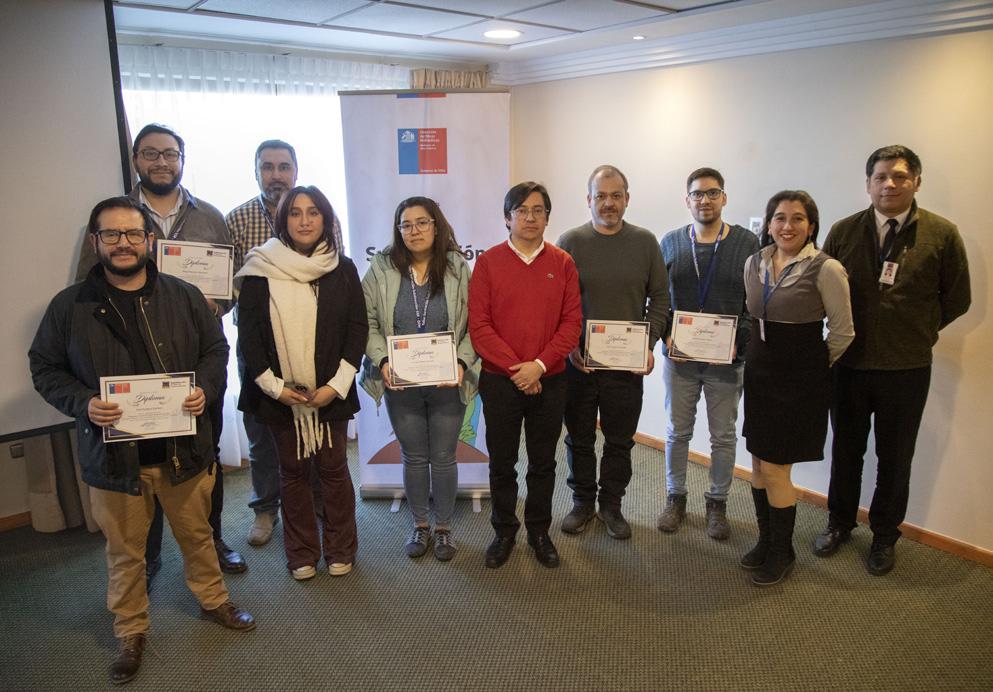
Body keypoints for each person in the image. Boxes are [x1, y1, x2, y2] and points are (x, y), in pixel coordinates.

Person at [30, 196, 256, 685]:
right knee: (125, 551)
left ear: (149, 241)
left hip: (183, 451)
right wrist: (84, 402)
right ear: (96, 242)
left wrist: (204, 388)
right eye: (112, 234)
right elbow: (44, 368)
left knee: (198, 536)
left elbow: (216, 350)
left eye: (133, 234)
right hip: (114, 458)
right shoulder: (69, 306)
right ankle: (130, 630)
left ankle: (214, 600)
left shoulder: (183, 295)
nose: (124, 243)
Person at [76, 122, 243, 582]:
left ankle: (213, 539)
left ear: (182, 160)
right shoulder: (114, 218)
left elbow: (231, 284)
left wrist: (219, 304)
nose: (161, 162)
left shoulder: (210, 216)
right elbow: (86, 289)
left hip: (192, 356)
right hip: (129, 360)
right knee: (139, 462)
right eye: (151, 154)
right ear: (136, 160)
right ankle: (148, 556)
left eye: (170, 154)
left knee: (204, 455)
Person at [815, 146, 971, 575]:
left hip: (907, 369)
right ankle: (839, 522)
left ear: (916, 182)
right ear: (868, 184)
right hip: (849, 364)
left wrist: (920, 330)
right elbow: (823, 289)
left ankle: (884, 536)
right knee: (846, 451)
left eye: (900, 176)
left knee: (895, 458)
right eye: (881, 177)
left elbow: (957, 298)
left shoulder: (942, 234)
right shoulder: (844, 231)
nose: (889, 184)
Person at [236, 185, 367, 580]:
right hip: (278, 395)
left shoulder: (342, 268)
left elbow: (356, 330)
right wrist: (276, 388)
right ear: (283, 220)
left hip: (331, 392)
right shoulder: (260, 268)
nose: (305, 221)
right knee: (291, 473)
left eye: (313, 212)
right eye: (295, 213)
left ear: (325, 219)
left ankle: (341, 548)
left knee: (334, 469)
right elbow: (250, 337)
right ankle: (302, 553)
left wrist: (336, 386)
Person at [741, 190, 854, 586]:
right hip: (760, 376)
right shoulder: (754, 262)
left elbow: (842, 333)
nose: (787, 226)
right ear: (769, 223)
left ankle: (782, 551)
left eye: (797, 218)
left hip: (797, 382)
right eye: (780, 218)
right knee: (758, 463)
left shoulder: (826, 268)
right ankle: (766, 540)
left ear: (811, 226)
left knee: (776, 468)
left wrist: (810, 369)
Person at [469, 181, 583, 569]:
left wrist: (538, 366)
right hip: (500, 381)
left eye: (538, 210)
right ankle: (504, 531)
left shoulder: (563, 263)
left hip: (549, 380)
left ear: (547, 218)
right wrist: (519, 370)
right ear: (507, 218)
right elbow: (479, 326)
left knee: (543, 463)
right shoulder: (488, 263)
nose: (530, 217)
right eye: (521, 210)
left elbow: (571, 324)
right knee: (502, 462)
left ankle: (539, 531)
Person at [226, 139, 333, 548]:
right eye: (267, 167)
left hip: (308, 344)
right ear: (256, 172)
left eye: (283, 166)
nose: (276, 175)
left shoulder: (318, 216)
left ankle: (318, 500)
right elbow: (226, 286)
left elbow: (331, 276)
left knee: (316, 425)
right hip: (258, 347)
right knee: (262, 431)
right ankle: (265, 507)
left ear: (295, 171)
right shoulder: (236, 220)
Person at [360, 197, 478, 561]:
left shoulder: (457, 266)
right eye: (406, 224)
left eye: (422, 222)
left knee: (443, 457)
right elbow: (366, 321)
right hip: (400, 383)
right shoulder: (381, 267)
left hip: (447, 383)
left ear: (436, 225)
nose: (414, 231)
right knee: (413, 457)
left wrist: (461, 362)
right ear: (398, 230)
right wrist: (382, 361)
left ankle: (443, 528)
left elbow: (476, 323)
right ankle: (420, 524)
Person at [556, 165, 669, 540]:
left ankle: (611, 506)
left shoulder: (645, 243)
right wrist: (569, 346)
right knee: (579, 439)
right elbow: (557, 301)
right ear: (588, 200)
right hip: (580, 364)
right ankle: (582, 503)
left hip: (626, 366)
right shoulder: (570, 242)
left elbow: (660, 298)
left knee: (620, 441)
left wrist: (648, 344)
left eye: (616, 195)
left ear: (627, 199)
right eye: (601, 196)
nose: (609, 203)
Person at [658, 168, 759, 539]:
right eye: (697, 194)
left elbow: (755, 302)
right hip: (680, 360)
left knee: (723, 437)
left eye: (712, 193)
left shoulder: (747, 243)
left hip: (727, 362)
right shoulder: (671, 242)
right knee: (677, 432)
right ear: (687, 200)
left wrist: (740, 339)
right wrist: (665, 335)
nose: (705, 200)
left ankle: (717, 503)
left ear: (724, 198)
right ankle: (675, 497)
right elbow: (658, 298)